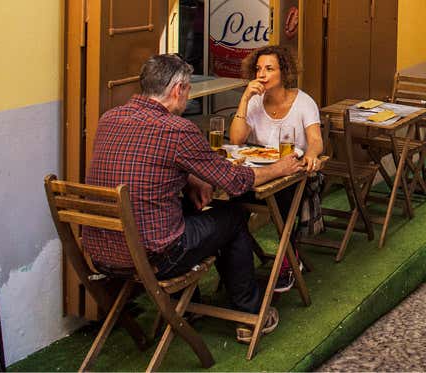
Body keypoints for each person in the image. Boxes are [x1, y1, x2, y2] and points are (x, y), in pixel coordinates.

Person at [82, 54, 302, 343]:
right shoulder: (177, 130)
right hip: (155, 258)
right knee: (232, 217)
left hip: (101, 253)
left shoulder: (110, 118)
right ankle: (250, 315)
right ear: (177, 90)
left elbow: (146, 167)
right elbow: (236, 181)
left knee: (191, 209)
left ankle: (187, 309)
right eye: (188, 90)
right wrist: (281, 168)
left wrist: (190, 179)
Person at [229, 45, 325, 294]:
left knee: (284, 201)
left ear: (284, 72)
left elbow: (315, 140)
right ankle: (239, 269)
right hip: (259, 172)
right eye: (258, 69)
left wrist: (312, 156)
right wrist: (244, 98)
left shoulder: (304, 101)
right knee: (231, 200)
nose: (262, 74)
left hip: (295, 174)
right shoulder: (254, 102)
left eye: (269, 68)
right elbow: (237, 140)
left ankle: (287, 263)